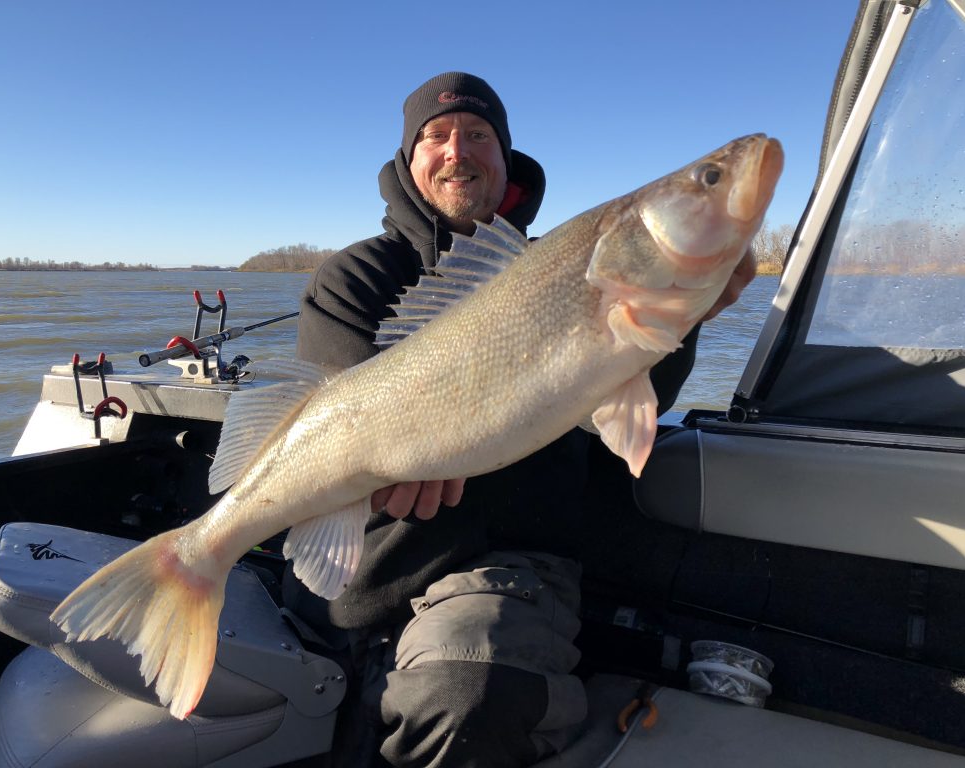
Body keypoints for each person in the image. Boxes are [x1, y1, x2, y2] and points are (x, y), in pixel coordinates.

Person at [290, 72, 754, 768]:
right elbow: (343, 425)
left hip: (503, 565)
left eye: (479, 135)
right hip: (366, 564)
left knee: (465, 694)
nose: (457, 150)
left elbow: (617, 417)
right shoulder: (351, 277)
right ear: (408, 162)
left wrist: (681, 321)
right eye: (437, 137)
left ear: (505, 158)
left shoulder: (563, 267)